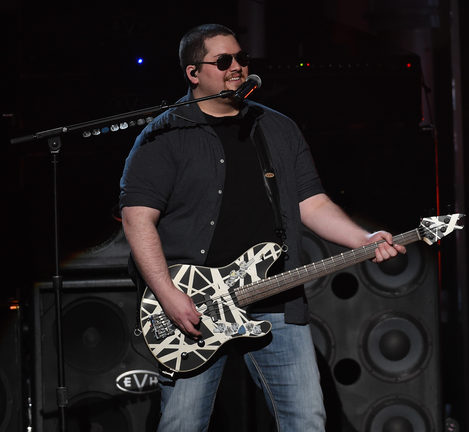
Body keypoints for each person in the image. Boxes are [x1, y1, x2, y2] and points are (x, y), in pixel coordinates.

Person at [119, 23, 406, 432]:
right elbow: (136, 218)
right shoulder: (164, 134)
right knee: (182, 424)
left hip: (275, 299)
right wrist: (167, 295)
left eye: (241, 58)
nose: (236, 67)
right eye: (223, 61)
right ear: (193, 73)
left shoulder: (278, 128)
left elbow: (313, 201)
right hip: (196, 308)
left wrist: (363, 239)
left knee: (307, 420)